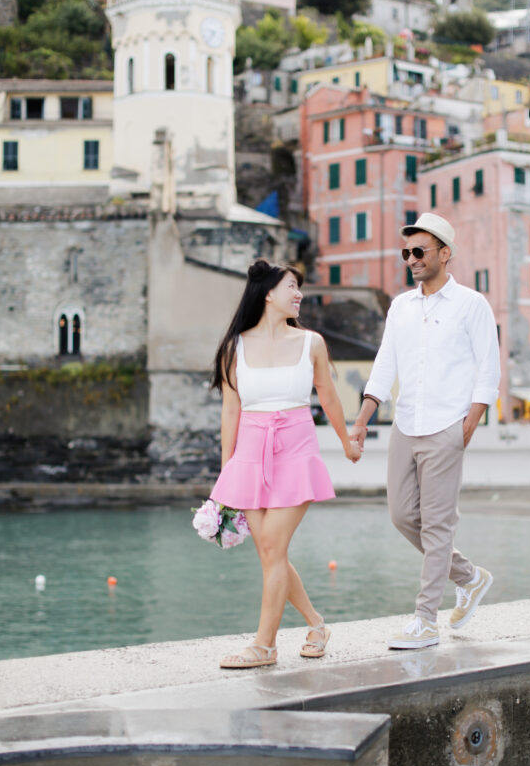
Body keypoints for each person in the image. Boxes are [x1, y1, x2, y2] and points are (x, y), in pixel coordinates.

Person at [351, 213, 500, 650]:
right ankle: (469, 577)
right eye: (407, 253)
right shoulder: (400, 306)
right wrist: (362, 418)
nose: (412, 259)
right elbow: (384, 365)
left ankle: (425, 620)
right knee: (401, 515)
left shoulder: (472, 304)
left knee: (437, 526)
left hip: (447, 426)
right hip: (406, 423)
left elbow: (487, 369)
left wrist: (468, 424)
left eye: (420, 251)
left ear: (444, 254)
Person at [211, 259, 361, 669]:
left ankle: (264, 646)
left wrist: (346, 441)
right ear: (268, 293)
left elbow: (328, 396)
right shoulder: (233, 348)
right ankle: (316, 624)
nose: (299, 294)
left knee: (274, 547)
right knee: (269, 553)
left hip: (296, 450)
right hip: (249, 455)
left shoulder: (311, 342)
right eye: (292, 286)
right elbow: (230, 413)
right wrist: (226, 476)